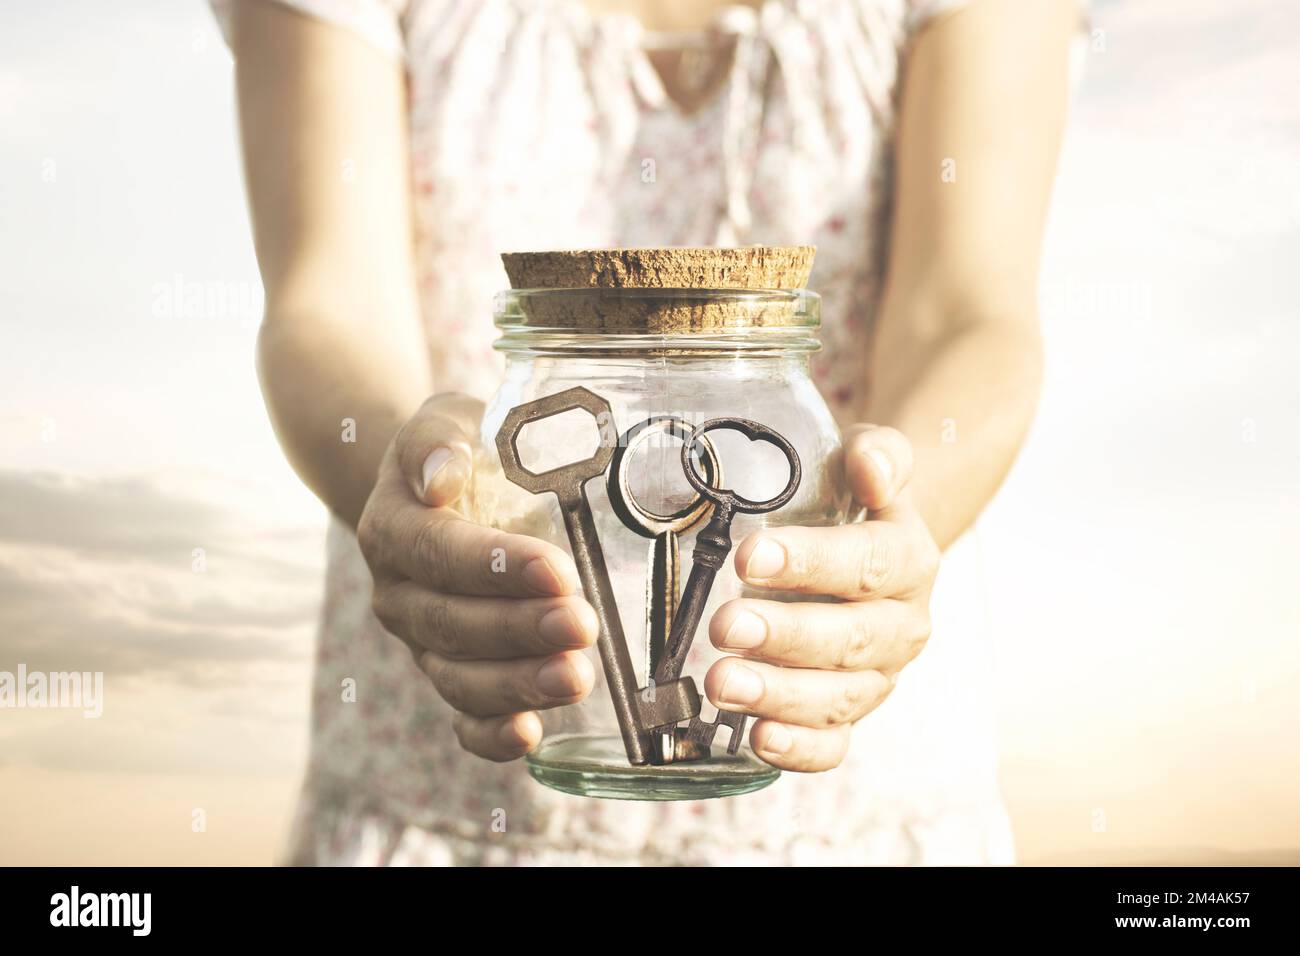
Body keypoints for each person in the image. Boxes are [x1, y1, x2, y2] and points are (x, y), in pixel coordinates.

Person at [212, 0, 1084, 864]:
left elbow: (971, 317)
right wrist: (415, 482)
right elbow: (325, 309)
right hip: (443, 795)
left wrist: (886, 526)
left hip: (854, 806)